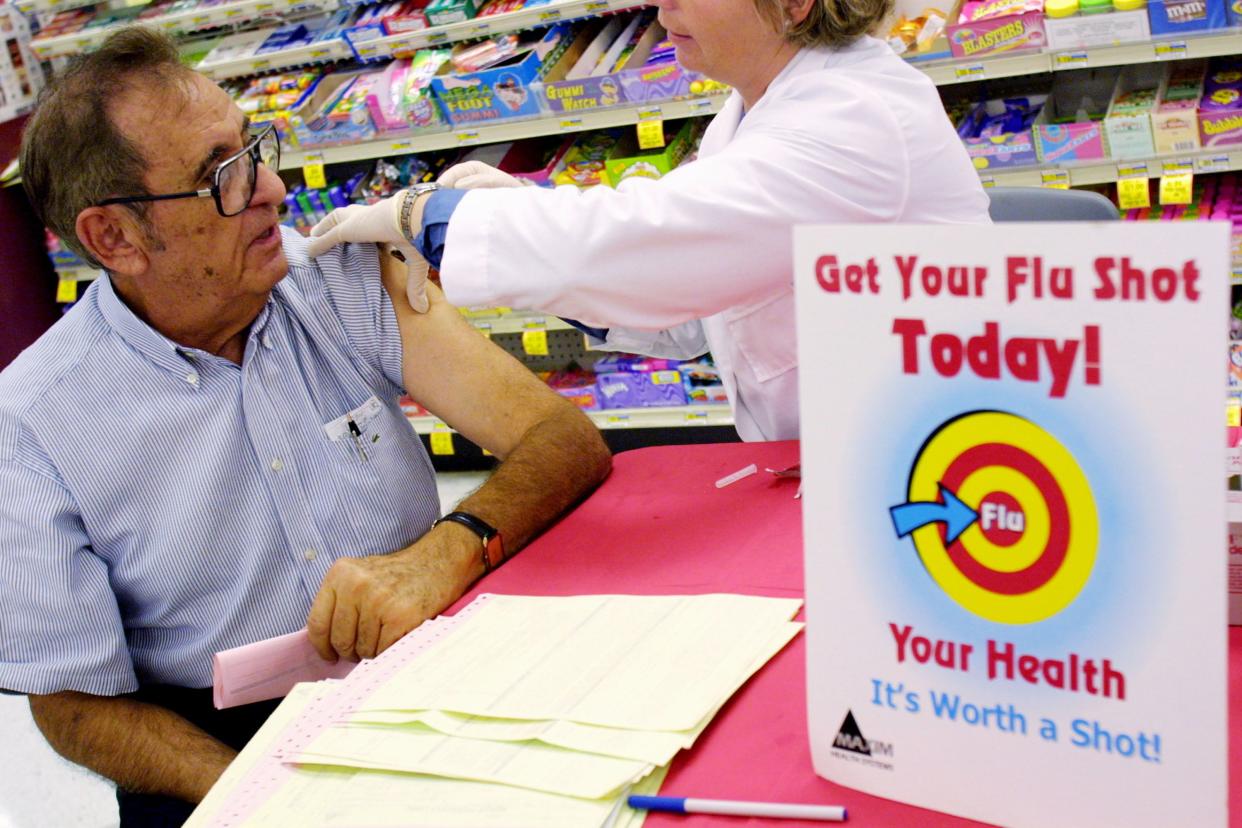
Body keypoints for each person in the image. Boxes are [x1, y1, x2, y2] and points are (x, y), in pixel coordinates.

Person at [1, 27, 611, 826]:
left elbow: (563, 439)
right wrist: (272, 796)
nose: (271, 191)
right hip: (206, 742)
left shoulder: (333, 275)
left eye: (255, 147)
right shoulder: (31, 429)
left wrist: (444, 552)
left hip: (422, 666)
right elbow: (75, 707)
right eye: (220, 175)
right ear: (113, 238)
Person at [307, 0, 993, 443]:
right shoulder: (754, 110)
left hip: (939, 458)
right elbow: (688, 314)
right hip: (830, 454)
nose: (662, 7)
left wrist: (427, 214)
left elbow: (658, 244)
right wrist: (515, 208)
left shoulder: (854, 118)